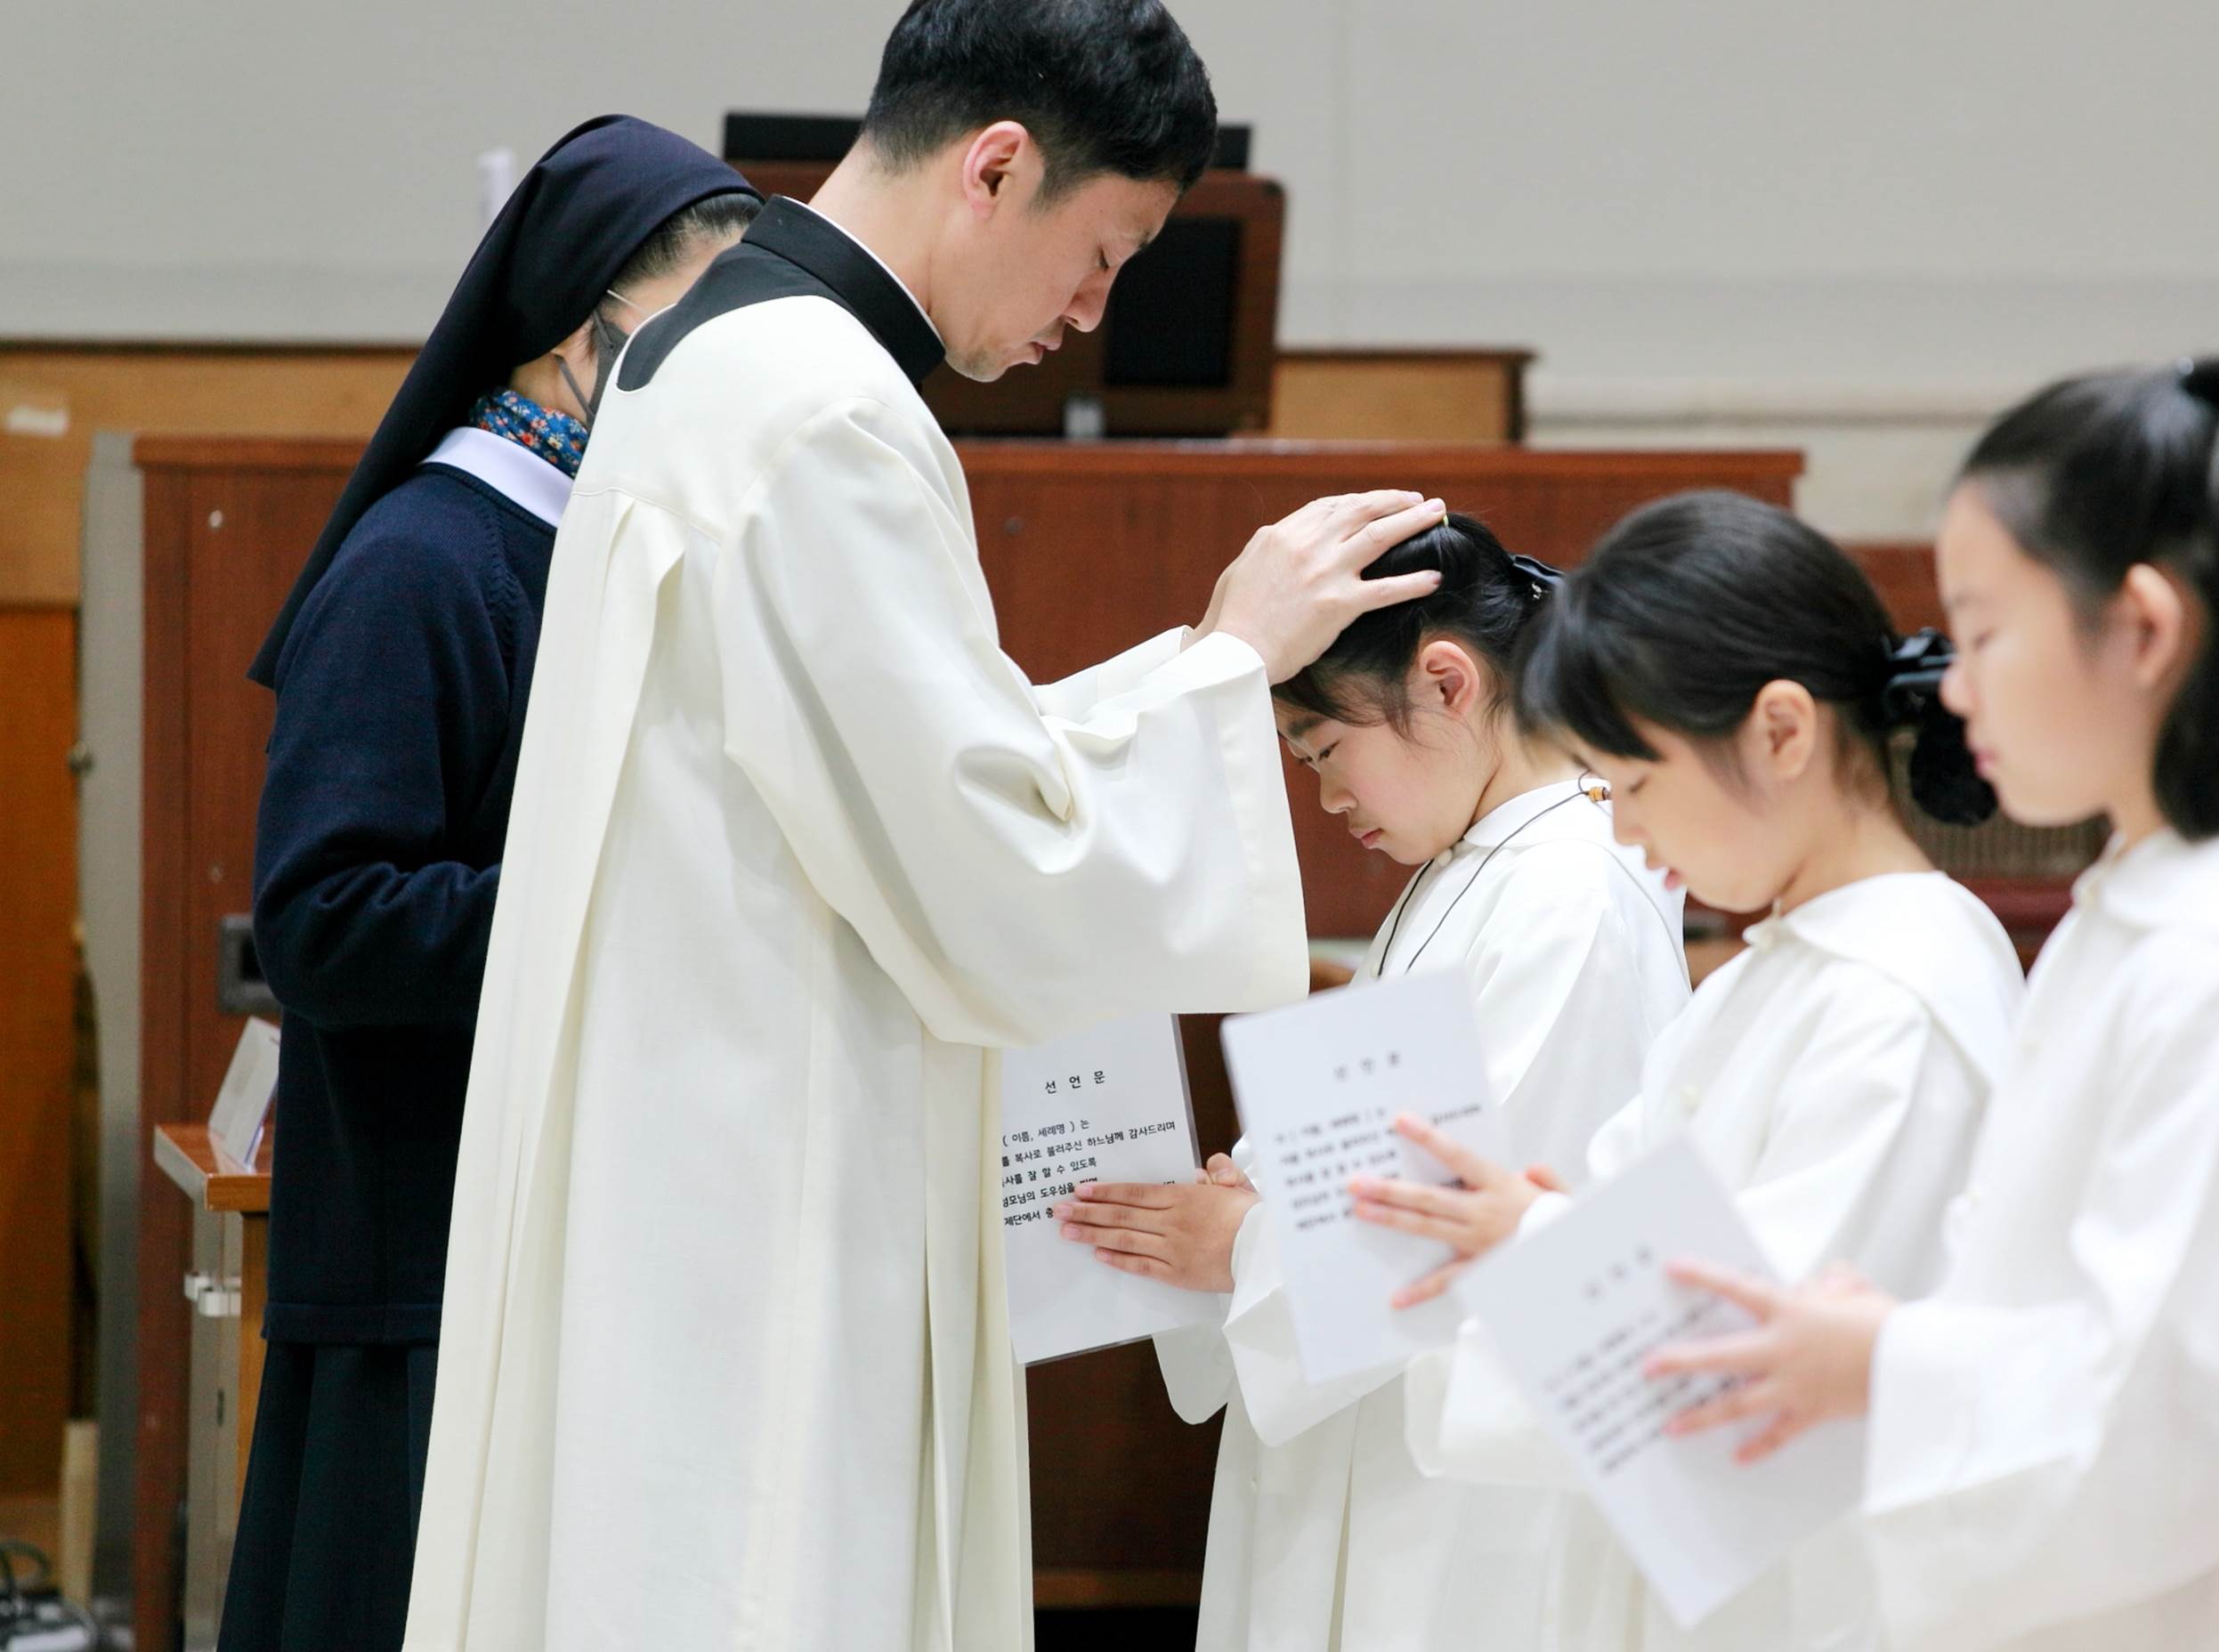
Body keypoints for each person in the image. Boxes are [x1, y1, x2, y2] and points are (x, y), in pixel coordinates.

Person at [402, 7, 1445, 1651]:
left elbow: (917, 762)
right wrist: (1231, 662)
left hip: (698, 1138)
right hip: (769, 1174)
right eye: (1104, 254)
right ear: (998, 166)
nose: (1091, 314)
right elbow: (990, 862)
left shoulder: (714, 352)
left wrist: (1200, 661)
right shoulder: (825, 411)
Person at [1654, 359, 2219, 1652]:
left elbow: (2185, 1431)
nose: (1954, 689)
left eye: (1982, 633)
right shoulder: (2168, 889)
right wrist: (1897, 1340)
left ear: (2143, 629)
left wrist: (1884, 1364)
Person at [220, 117, 756, 1652]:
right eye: (695, 331)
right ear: (581, 330)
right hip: (421, 1273)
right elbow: (322, 921)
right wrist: (623, 891)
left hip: (570, 1246)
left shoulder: (609, 549)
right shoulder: (426, 563)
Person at [1348, 490, 2021, 1649]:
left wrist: (1531, 1235)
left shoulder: (1899, 991)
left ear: (1780, 733)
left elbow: (1769, 1359)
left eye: (1636, 783)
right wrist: (1544, 1224)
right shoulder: (1774, 971)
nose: (1624, 831)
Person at [1056, 514, 1691, 1651]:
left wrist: (1248, 1242)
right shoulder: (1476, 861)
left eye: (1322, 750)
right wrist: (1255, 1193)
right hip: (1372, 1421)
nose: (1325, 799)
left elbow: (1496, 1219)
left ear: (1446, 681)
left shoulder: (1572, 893)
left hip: (1464, 1487)